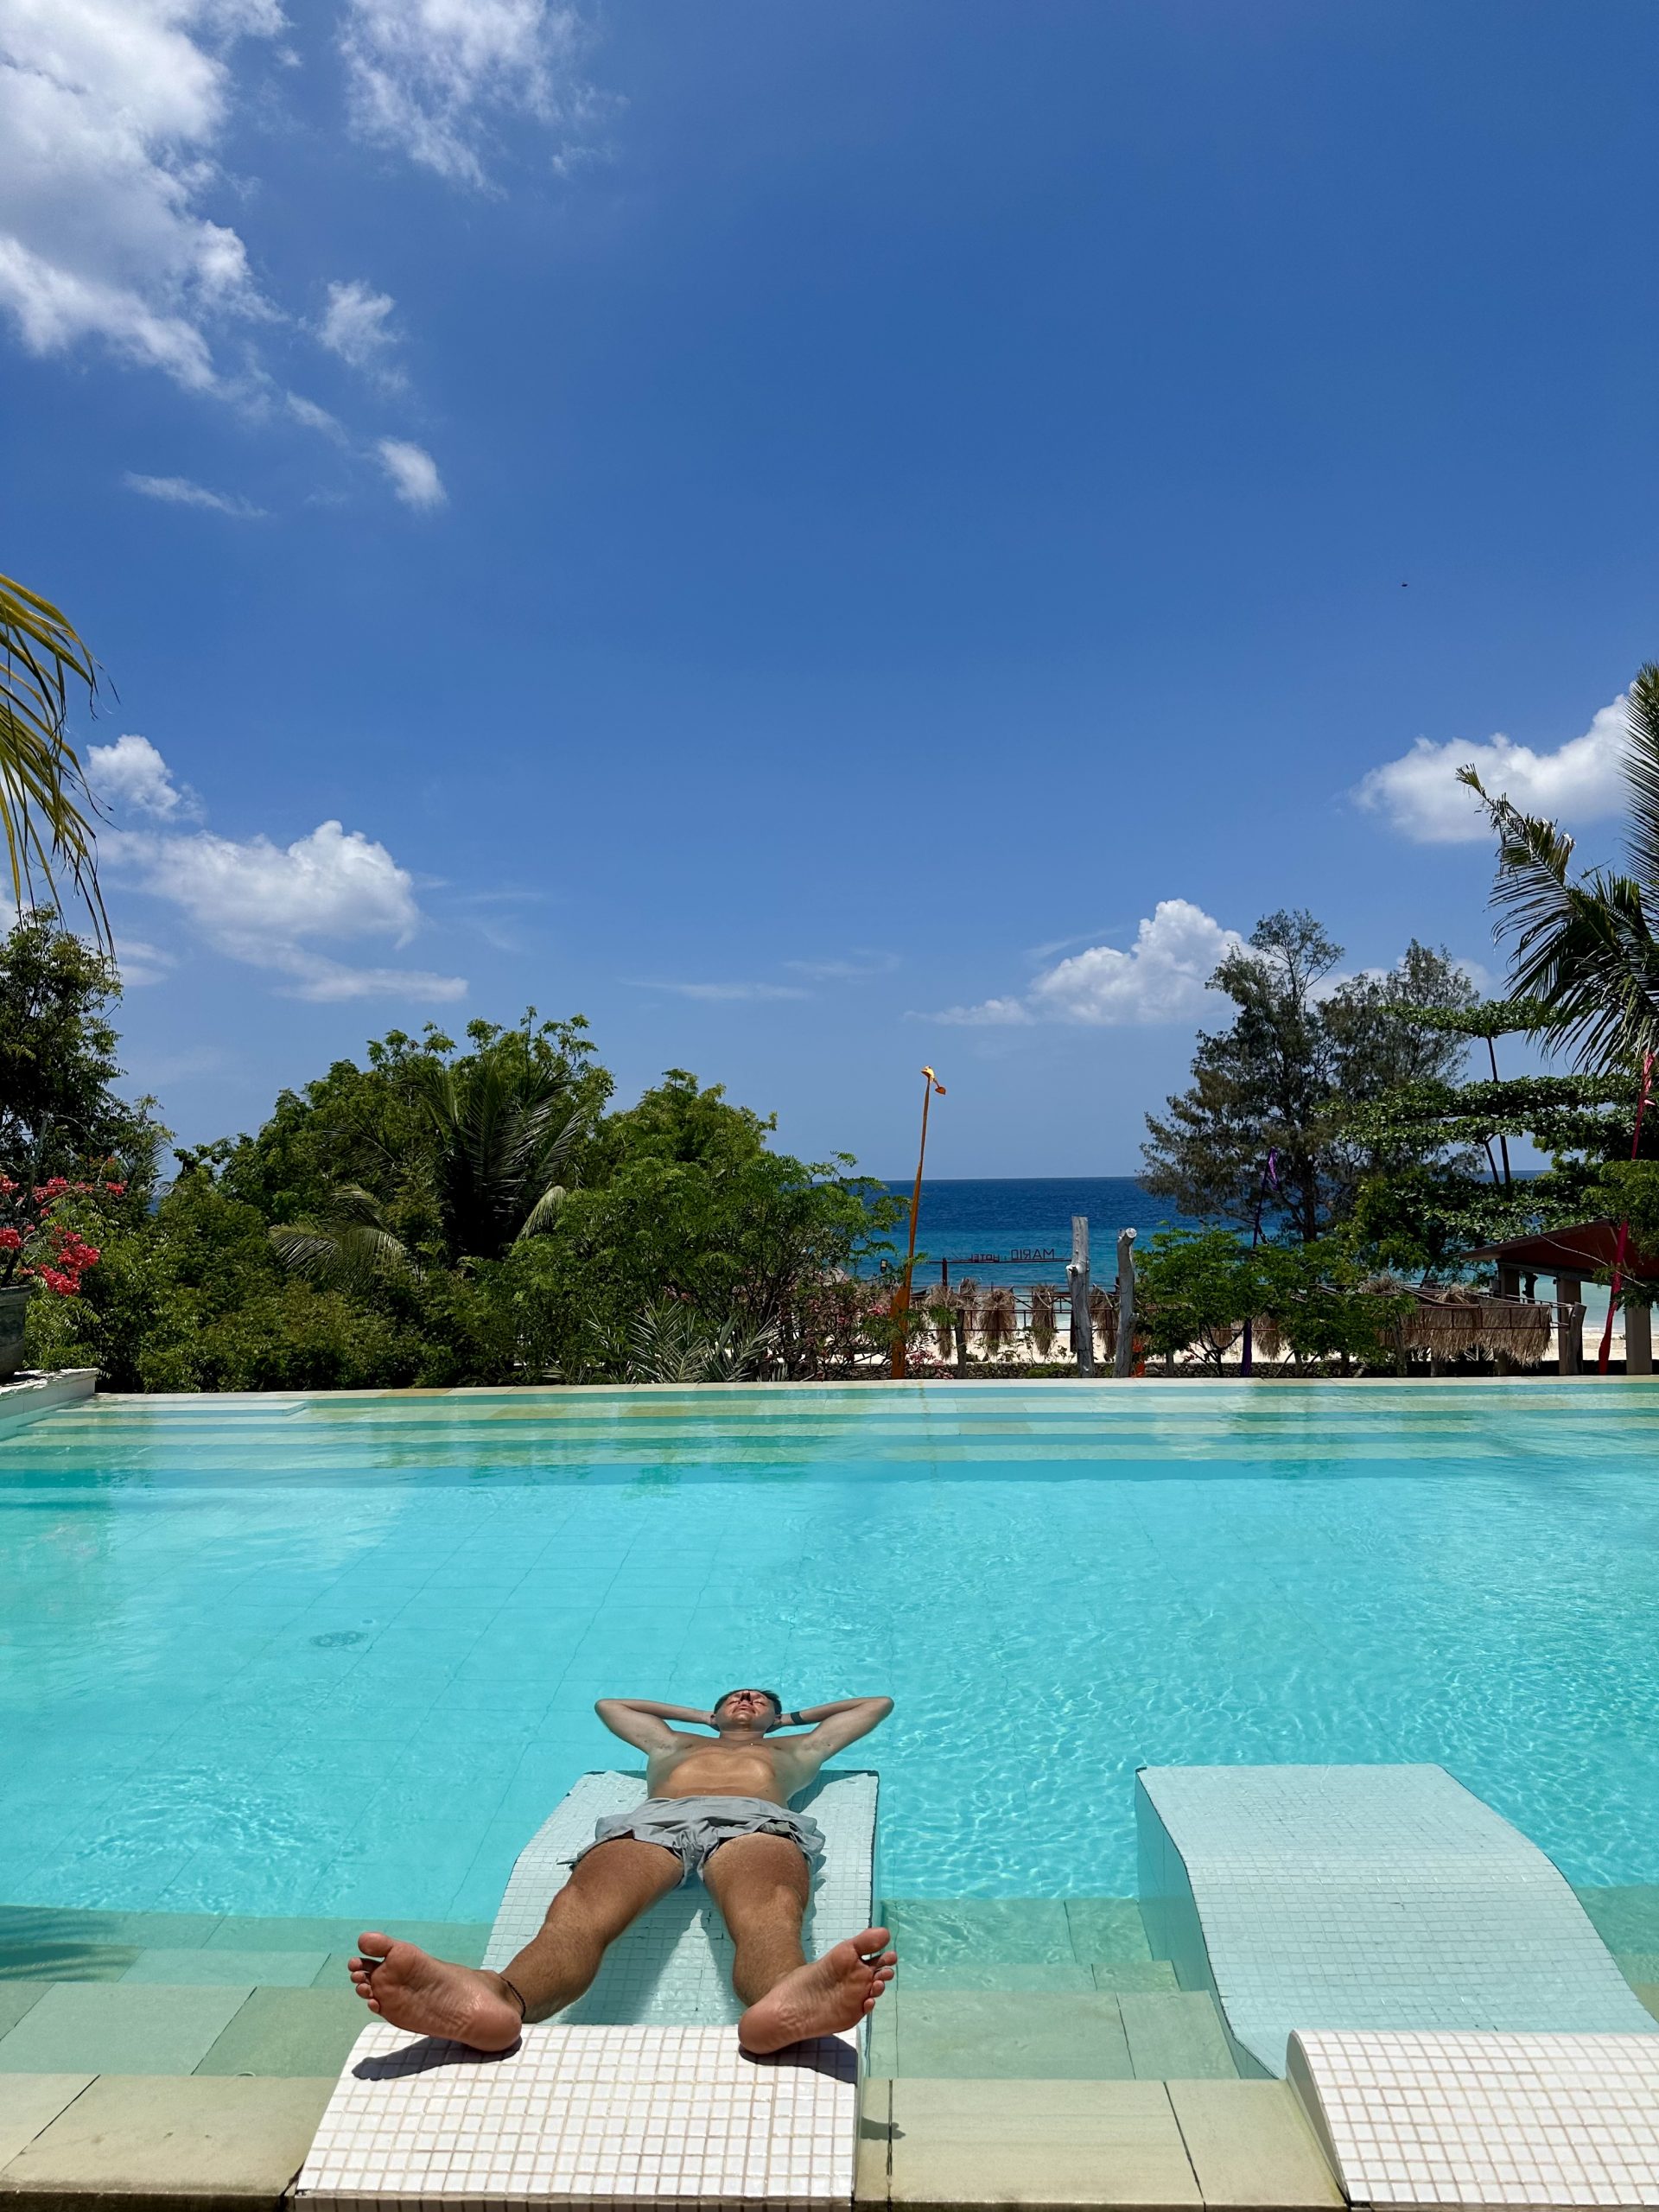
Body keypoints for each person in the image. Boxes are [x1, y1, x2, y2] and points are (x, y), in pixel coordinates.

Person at [348, 1687, 896, 2055]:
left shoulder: (800, 1746)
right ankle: (498, 1997)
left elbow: (877, 1704)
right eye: (734, 1697)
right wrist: (705, 1720)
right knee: (578, 1911)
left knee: (771, 1909)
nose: (746, 1699)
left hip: (752, 1819)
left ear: (777, 1717)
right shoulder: (672, 1741)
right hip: (656, 1819)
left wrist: (787, 1721)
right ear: (714, 1713)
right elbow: (611, 1705)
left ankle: (782, 1997)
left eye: (759, 1699)